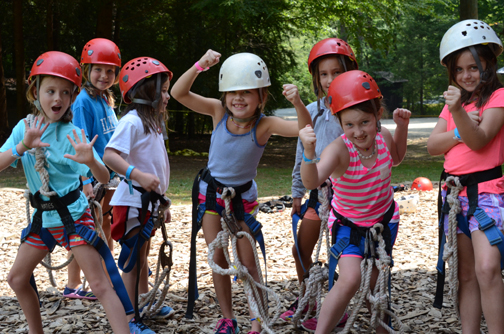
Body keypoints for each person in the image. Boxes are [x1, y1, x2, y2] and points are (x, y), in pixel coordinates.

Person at [171, 50, 311, 334]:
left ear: (261, 97)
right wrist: (200, 65)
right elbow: (178, 93)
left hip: (241, 201)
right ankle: (227, 317)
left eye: (247, 92)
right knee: (217, 257)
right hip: (210, 194)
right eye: (233, 92)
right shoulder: (219, 112)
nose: (238, 98)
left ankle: (257, 321)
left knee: (247, 263)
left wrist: (297, 102)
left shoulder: (264, 125)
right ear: (224, 95)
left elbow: (304, 127)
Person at [0, 51, 131, 334]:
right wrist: (22, 146)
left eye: (65, 93)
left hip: (73, 218)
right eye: (50, 91)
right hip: (43, 220)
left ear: (72, 97)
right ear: (35, 92)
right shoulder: (25, 128)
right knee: (17, 279)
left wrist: (91, 160)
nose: (57, 99)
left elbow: (104, 177)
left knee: (99, 285)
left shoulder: (73, 135)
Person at [299, 70, 411, 333]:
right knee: (350, 279)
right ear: (339, 121)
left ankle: (381, 328)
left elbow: (396, 157)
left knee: (375, 282)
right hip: (349, 226)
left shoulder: (382, 138)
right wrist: (308, 152)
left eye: (365, 123)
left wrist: (402, 128)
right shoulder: (339, 150)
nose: (358, 132)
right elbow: (311, 181)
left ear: (378, 116)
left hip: (383, 222)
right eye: (349, 125)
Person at [427, 19, 504, 333]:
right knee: (467, 274)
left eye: (474, 67)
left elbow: (480, 139)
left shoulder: (497, 98)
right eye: (459, 70)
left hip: (487, 193)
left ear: (488, 64)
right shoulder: (455, 106)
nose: (466, 75)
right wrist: (458, 126)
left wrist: (458, 117)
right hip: (455, 197)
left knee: (488, 268)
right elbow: (433, 145)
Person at [282, 38, 358, 330]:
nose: (329, 80)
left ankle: (339, 307)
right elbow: (303, 152)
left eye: (336, 73)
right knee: (301, 249)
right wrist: (297, 192)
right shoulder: (312, 110)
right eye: (323, 74)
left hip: (349, 194)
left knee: (342, 254)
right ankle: (309, 300)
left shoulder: (356, 108)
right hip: (319, 193)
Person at [103, 56, 173, 334]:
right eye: (164, 90)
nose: (168, 96)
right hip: (131, 203)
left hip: (146, 204)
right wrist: (137, 176)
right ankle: (129, 319)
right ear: (148, 92)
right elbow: (110, 155)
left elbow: (157, 166)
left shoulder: (153, 123)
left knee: (140, 259)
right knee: (131, 262)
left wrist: (163, 201)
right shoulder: (132, 121)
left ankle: (137, 307)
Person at [65, 37, 121, 300]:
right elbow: (80, 141)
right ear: (86, 70)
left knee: (103, 226)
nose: (104, 75)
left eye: (110, 70)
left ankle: (104, 276)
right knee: (87, 229)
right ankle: (77, 282)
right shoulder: (83, 101)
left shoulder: (105, 100)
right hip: (92, 178)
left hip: (106, 177)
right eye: (98, 69)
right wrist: (85, 181)